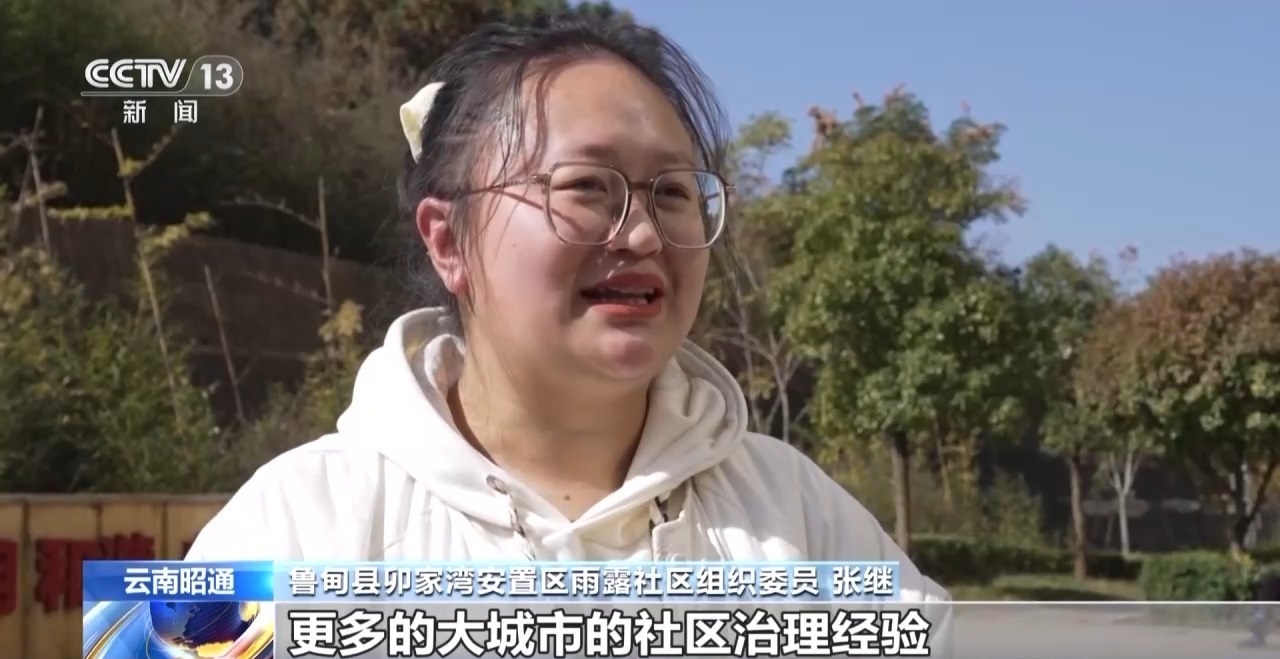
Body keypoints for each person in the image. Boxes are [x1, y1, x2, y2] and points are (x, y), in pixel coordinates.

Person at [188, 15, 950, 645]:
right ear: (448, 241)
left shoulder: (795, 510)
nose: (643, 235)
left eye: (673, 193)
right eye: (587, 186)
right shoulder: (300, 519)